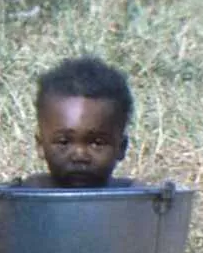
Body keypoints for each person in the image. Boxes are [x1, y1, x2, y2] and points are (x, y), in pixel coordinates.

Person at [21, 56, 135, 189]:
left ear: (121, 148)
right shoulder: (22, 199)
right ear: (40, 145)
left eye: (97, 143)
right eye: (64, 142)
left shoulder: (137, 202)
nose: (80, 155)